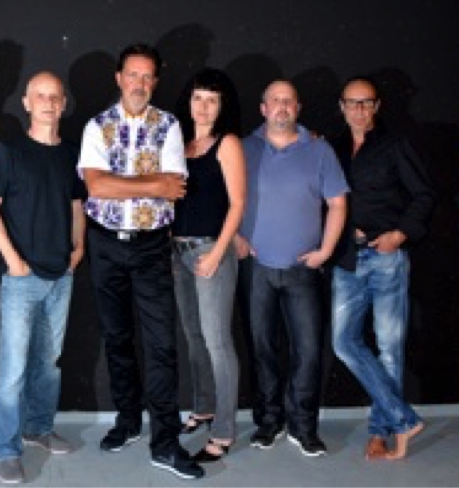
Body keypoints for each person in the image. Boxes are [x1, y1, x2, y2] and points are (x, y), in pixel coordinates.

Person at [77, 43, 204, 480]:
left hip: (151, 247)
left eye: (148, 76)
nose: (140, 84)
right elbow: (96, 187)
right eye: (133, 75)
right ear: (119, 78)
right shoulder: (97, 127)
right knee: (117, 338)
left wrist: (124, 183)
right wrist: (152, 185)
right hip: (105, 243)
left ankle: (165, 443)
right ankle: (128, 420)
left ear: (155, 82)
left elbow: (176, 187)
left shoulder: (169, 126)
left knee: (161, 345)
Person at [234, 80, 348, 458]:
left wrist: (325, 251)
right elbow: (224, 196)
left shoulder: (319, 150)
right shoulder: (244, 148)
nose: (282, 107)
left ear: (297, 108)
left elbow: (338, 203)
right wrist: (235, 237)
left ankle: (304, 427)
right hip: (257, 268)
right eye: (275, 101)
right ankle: (270, 422)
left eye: (288, 101)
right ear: (263, 108)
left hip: (303, 270)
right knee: (262, 349)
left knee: (309, 351)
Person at [0, 71, 86, 484]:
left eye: (55, 96)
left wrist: (78, 248)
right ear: (26, 103)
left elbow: (76, 205)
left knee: (49, 363)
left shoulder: (70, 154)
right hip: (21, 279)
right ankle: (6, 450)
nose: (48, 102)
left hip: (62, 275)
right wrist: (13, 260)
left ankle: (38, 428)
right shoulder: (9, 152)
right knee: (12, 369)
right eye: (40, 96)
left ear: (63, 104)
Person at [328, 76, 433, 461]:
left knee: (389, 347)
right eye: (352, 103)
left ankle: (380, 432)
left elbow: (424, 195)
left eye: (366, 102)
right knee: (343, 342)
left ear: (376, 106)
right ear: (342, 107)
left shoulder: (395, 145)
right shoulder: (332, 148)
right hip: (346, 259)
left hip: (386, 258)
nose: (358, 110)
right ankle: (403, 418)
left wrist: (400, 234)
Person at [171, 68, 247, 463]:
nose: (203, 106)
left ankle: (224, 431)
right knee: (194, 335)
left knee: (217, 341)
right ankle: (204, 407)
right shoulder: (180, 145)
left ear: (221, 106)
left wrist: (217, 253)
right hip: (177, 251)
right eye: (198, 98)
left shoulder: (226, 143)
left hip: (209, 249)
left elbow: (237, 203)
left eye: (212, 100)